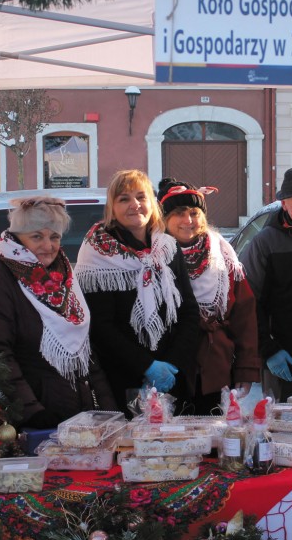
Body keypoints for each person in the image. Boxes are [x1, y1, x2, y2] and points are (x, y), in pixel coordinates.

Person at [0, 195, 117, 429]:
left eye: (54, 236)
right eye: (37, 236)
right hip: (32, 420)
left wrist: (109, 412)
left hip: (76, 415)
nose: (48, 246)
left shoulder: (63, 276)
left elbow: (86, 355)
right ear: (17, 238)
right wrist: (32, 413)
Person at [74, 169, 201, 412]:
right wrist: (147, 366)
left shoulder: (167, 247)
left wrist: (171, 365)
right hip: (124, 381)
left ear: (151, 203)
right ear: (112, 206)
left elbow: (189, 312)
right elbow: (100, 326)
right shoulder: (96, 254)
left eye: (141, 197)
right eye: (124, 199)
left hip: (173, 377)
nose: (135, 205)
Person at [157, 178, 262, 414]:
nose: (188, 221)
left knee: (213, 441)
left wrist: (246, 368)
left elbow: (244, 315)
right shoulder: (153, 256)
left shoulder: (223, 254)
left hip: (216, 369)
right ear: (165, 219)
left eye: (194, 213)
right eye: (179, 213)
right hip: (169, 370)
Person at [241, 166, 292, 400]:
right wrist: (268, 350)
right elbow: (248, 301)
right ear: (284, 205)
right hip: (286, 354)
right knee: (287, 425)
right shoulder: (265, 242)